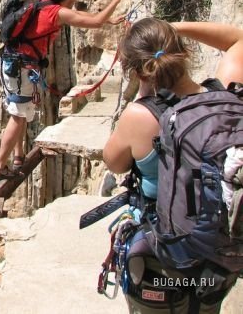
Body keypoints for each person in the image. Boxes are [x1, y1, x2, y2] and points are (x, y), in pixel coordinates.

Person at [104, 19, 243, 313]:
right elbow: (237, 40)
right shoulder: (226, 94)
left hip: (164, 261)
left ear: (138, 71)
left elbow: (113, 162)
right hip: (219, 256)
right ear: (183, 52)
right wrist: (172, 27)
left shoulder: (140, 116)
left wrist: (141, 97)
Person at [0, 0, 126, 183]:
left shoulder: (45, 1)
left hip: (12, 64)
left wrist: (108, 19)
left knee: (21, 112)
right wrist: (115, 0)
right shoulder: (58, 12)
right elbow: (93, 22)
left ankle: (18, 156)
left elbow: (78, 15)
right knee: (17, 116)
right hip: (20, 69)